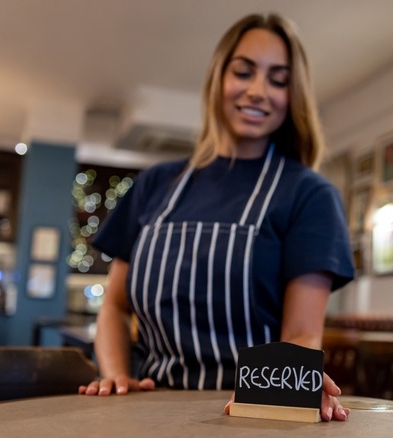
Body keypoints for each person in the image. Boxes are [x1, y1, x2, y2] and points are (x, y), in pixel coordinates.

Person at [78, 13, 355, 422]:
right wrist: (117, 379)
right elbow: (115, 307)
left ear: (292, 96)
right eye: (244, 72)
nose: (259, 91)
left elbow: (301, 332)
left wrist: (283, 393)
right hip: (144, 413)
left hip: (251, 417)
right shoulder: (155, 183)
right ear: (218, 80)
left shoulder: (309, 195)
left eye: (278, 80)